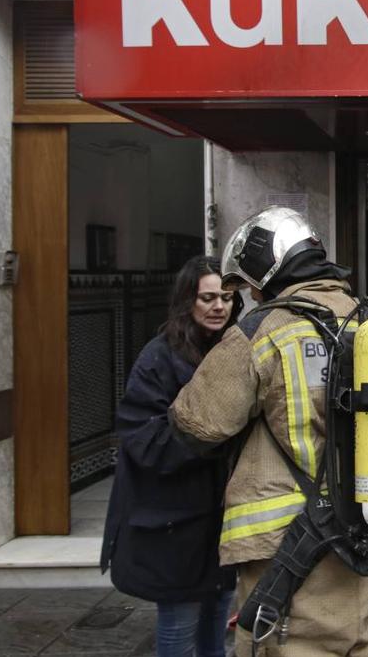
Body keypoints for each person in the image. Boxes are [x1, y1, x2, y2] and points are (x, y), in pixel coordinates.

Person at [169, 207, 368, 656]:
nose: (251, 296)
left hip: (290, 555)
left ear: (265, 268)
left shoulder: (261, 330)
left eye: (250, 284)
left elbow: (195, 426)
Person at [101, 255, 243, 657]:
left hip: (218, 518)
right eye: (209, 298)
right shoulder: (158, 357)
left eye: (228, 298)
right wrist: (209, 437)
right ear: (188, 301)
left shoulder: (234, 353)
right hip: (173, 523)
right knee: (180, 625)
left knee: (217, 614)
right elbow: (143, 437)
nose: (219, 306)